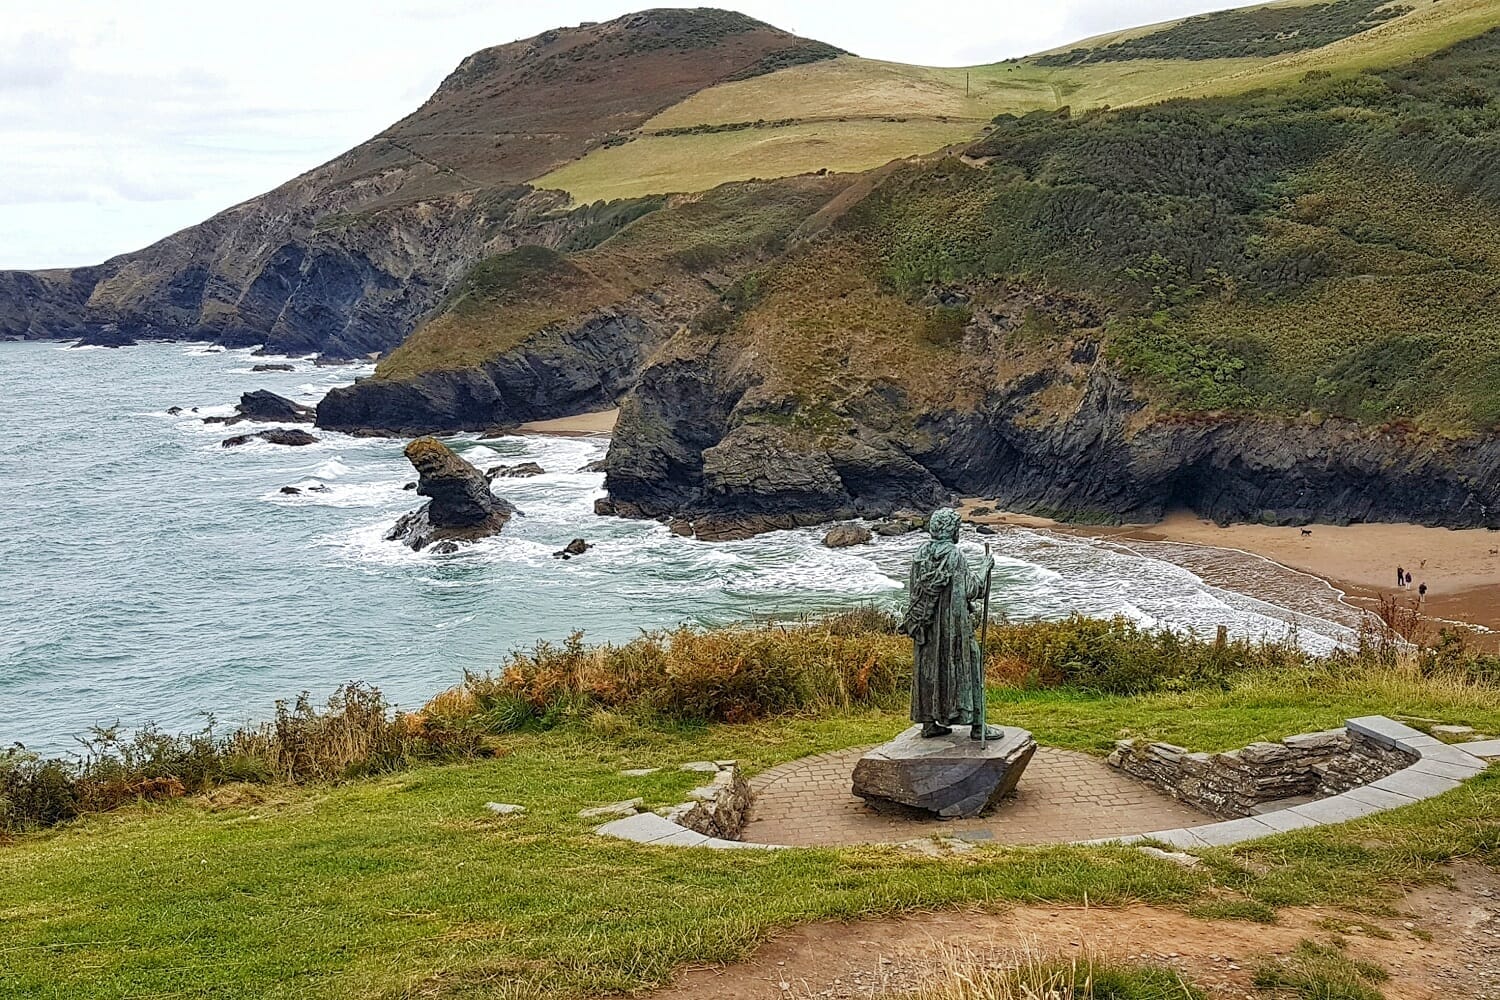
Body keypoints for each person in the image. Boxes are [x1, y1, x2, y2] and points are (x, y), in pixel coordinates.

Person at [900, 508, 1002, 741]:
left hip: (926, 626)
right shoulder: (954, 556)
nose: (959, 532)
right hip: (953, 629)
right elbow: (972, 590)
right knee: (971, 662)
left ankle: (929, 722)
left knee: (928, 669)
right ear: (951, 530)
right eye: (958, 528)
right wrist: (985, 567)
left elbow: (914, 591)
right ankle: (978, 725)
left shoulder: (921, 553)